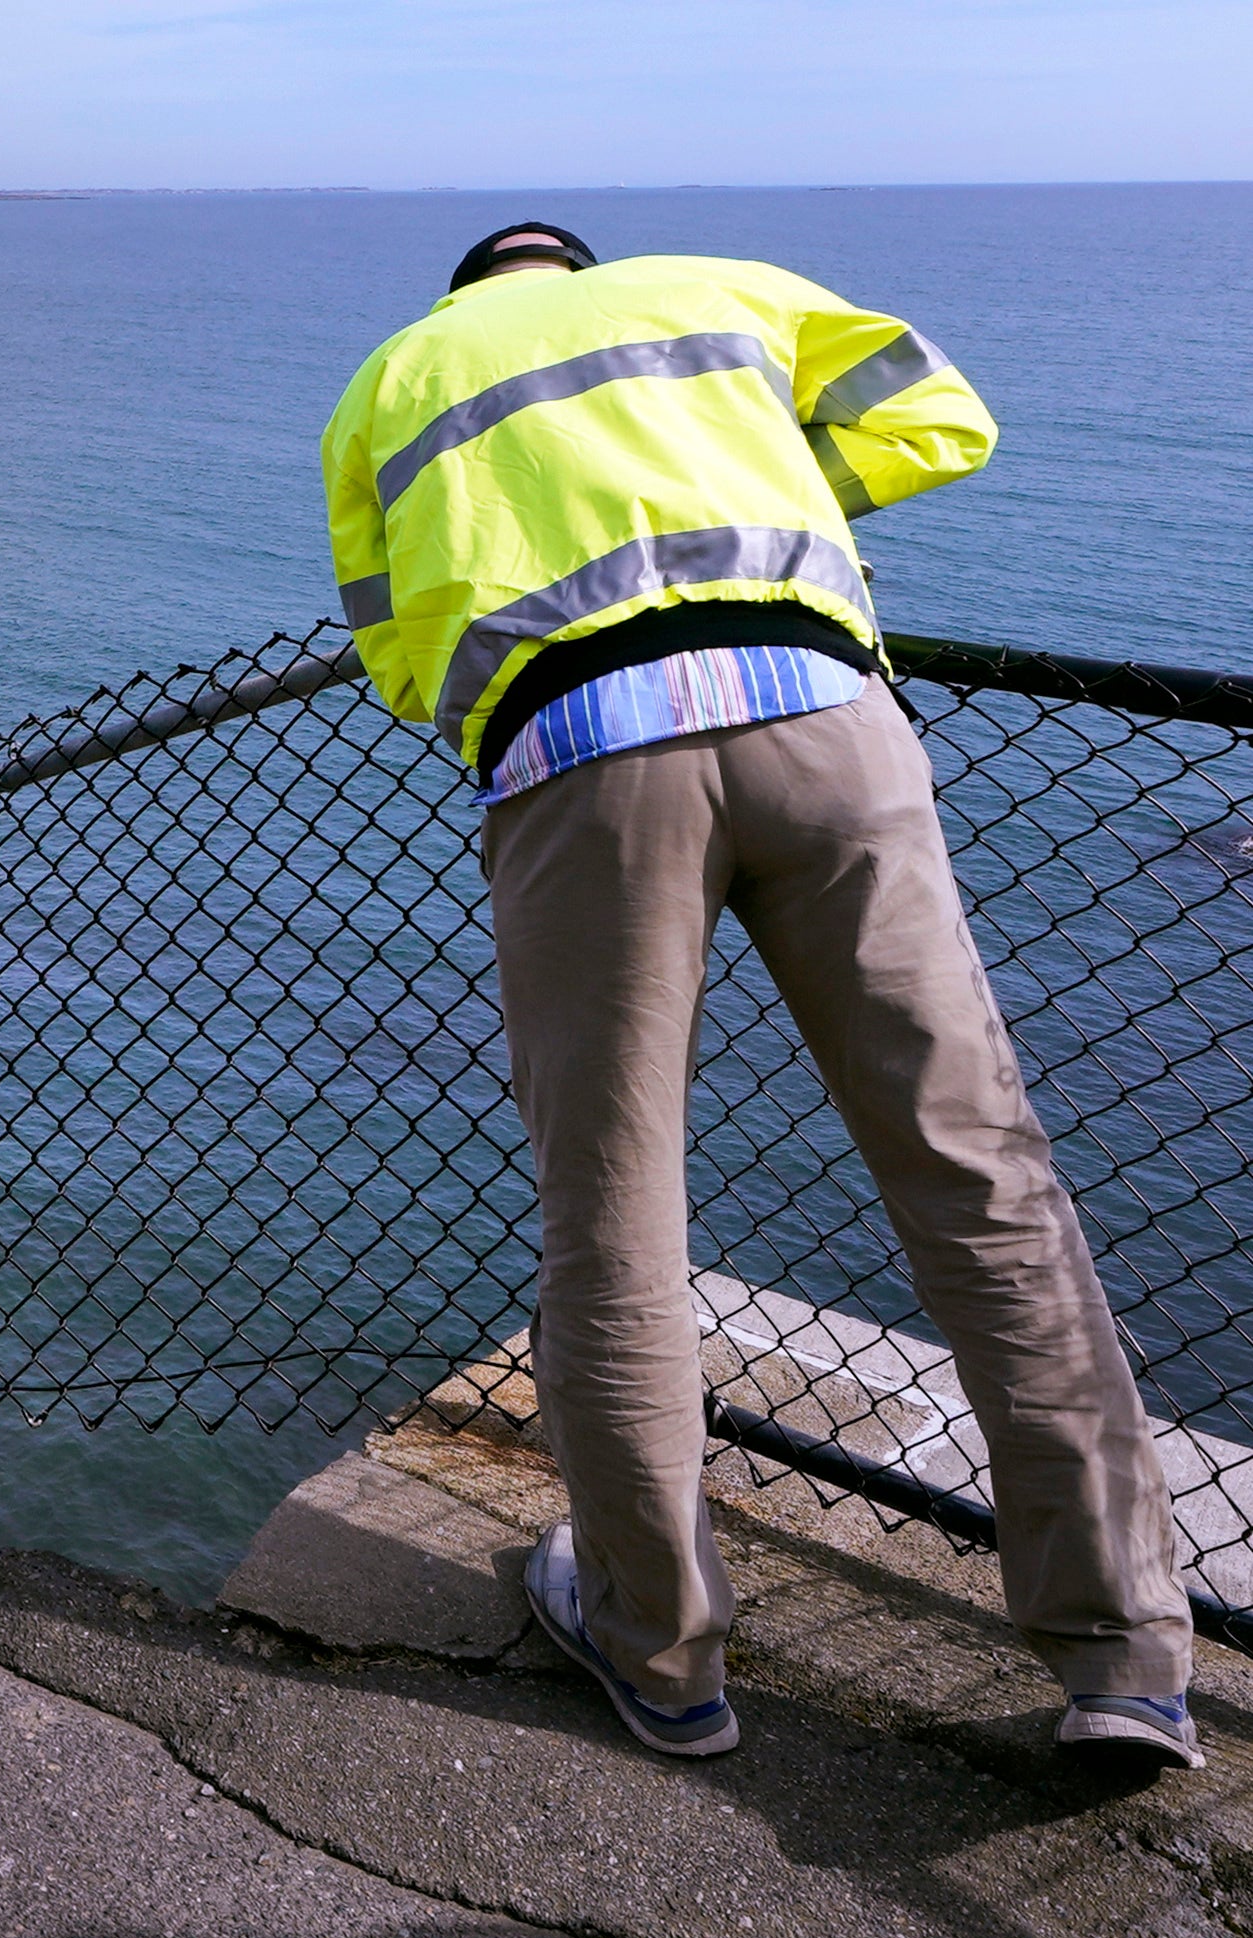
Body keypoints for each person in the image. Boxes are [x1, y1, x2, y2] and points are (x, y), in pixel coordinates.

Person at [320, 222, 1199, 1770]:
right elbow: (941, 421)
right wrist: (770, 505)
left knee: (610, 1219)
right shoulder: (710, 290)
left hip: (581, 760)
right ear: (575, 264)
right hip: (821, 721)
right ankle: (1122, 1657)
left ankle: (663, 1656)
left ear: (467, 290)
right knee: (978, 1179)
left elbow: (397, 653)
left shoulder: (392, 377)